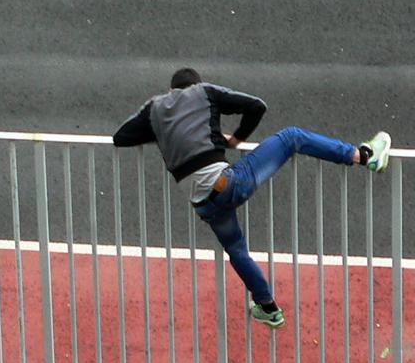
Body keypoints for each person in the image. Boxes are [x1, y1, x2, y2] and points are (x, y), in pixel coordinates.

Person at [113, 67, 391, 329]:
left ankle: (268, 307)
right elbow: (257, 106)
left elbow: (121, 136)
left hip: (204, 205)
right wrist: (234, 141)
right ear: (195, 84)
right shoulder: (204, 92)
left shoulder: (155, 108)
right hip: (228, 184)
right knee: (292, 136)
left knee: (236, 248)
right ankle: (364, 155)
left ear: (170, 89)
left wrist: (163, 131)